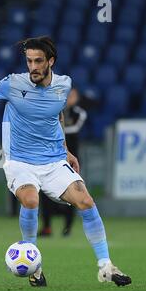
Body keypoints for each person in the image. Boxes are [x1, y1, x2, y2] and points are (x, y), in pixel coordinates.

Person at [0, 36, 131, 287]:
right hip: (20, 160)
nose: (33, 67)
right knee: (31, 199)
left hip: (53, 160)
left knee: (86, 201)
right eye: (29, 61)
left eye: (38, 61)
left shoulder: (64, 86)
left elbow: (55, 116)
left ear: (50, 61)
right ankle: (35, 266)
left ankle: (106, 266)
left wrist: (66, 150)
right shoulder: (13, 83)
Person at [38, 87, 87, 237]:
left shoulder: (79, 113)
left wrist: (55, 128)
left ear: (77, 97)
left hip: (71, 160)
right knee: (45, 194)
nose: (69, 98)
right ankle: (46, 227)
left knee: (73, 192)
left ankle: (68, 228)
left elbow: (73, 128)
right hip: (51, 158)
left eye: (72, 95)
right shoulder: (53, 111)